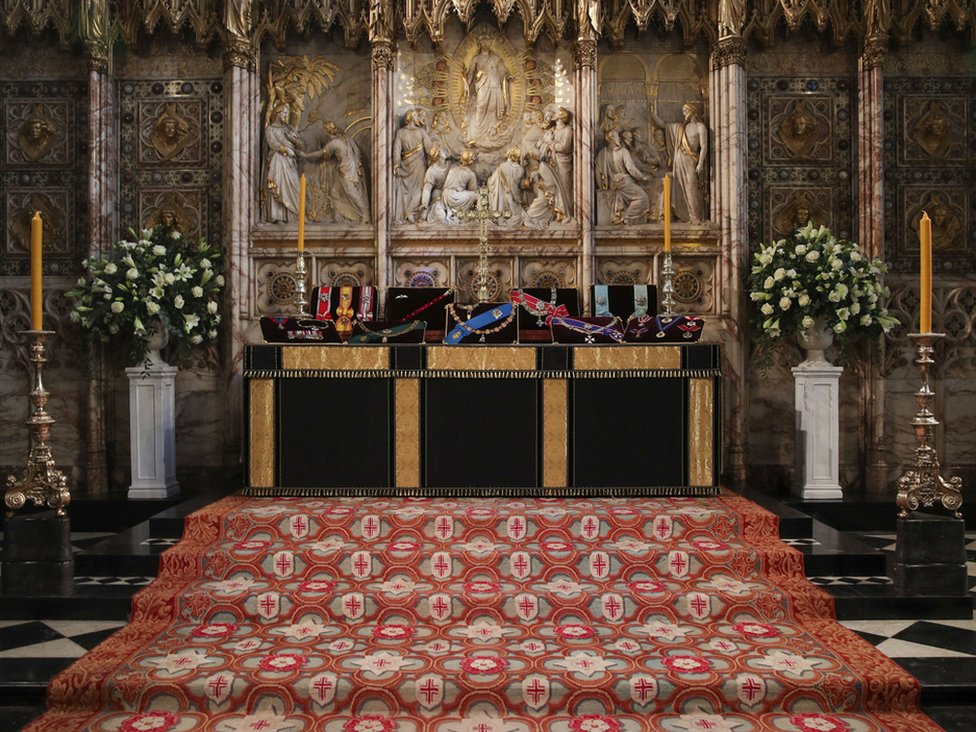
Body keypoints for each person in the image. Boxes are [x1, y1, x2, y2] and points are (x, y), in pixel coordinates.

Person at [650, 102, 708, 224]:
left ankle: (696, 217)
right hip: (679, 161)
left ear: (693, 111)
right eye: (683, 111)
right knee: (680, 189)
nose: (683, 113)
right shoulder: (681, 128)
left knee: (692, 188)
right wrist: (652, 113)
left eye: (685, 110)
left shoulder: (700, 127)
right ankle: (686, 216)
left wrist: (701, 163)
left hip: (691, 161)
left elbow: (704, 147)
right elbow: (663, 125)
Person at [304, 121, 370, 224]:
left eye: (325, 130)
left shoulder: (334, 143)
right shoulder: (345, 138)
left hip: (346, 170)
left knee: (351, 192)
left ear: (328, 131)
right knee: (334, 192)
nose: (324, 133)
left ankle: (365, 214)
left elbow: (321, 153)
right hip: (350, 168)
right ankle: (341, 217)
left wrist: (305, 155)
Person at [464, 36, 510, 143]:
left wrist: (507, 75)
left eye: (487, 43)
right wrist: (467, 82)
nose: (486, 45)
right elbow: (471, 73)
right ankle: (477, 132)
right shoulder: (476, 58)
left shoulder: (496, 58)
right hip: (483, 84)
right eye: (483, 43)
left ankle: (492, 131)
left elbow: (502, 69)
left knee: (493, 108)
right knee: (481, 106)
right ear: (480, 44)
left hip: (494, 84)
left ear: (490, 44)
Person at [263, 102, 303, 223]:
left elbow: (300, 144)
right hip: (278, 161)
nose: (286, 114)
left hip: (290, 163)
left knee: (295, 185)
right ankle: (278, 216)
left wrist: (294, 141)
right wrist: (286, 150)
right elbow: (272, 144)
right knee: (278, 185)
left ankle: (294, 215)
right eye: (284, 112)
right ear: (277, 112)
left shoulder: (289, 129)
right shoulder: (270, 129)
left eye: (287, 112)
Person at [602, 129, 650, 225]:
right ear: (611, 139)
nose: (619, 138)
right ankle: (627, 217)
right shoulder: (623, 151)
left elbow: (599, 171)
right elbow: (631, 168)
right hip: (624, 182)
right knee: (643, 197)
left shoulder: (603, 153)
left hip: (613, 183)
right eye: (616, 136)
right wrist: (642, 177)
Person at [392, 109, 432, 224]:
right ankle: (410, 211)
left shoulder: (400, 132)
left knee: (408, 190)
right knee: (419, 189)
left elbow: (396, 151)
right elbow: (429, 149)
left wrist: (396, 165)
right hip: (419, 164)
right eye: (416, 116)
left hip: (406, 164)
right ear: (411, 117)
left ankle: (408, 212)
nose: (418, 118)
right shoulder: (421, 132)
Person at [486, 145, 525, 222]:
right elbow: (519, 184)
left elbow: (492, 182)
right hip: (514, 197)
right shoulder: (520, 169)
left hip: (501, 198)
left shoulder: (502, 166)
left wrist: (489, 179)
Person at [441, 149, 480, 217]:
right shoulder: (470, 173)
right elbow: (473, 189)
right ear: (471, 162)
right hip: (454, 197)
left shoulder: (453, 169)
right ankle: (475, 214)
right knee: (475, 195)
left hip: (445, 195)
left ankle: (452, 210)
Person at [420, 143, 451, 223]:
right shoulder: (431, 171)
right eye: (442, 151)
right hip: (438, 198)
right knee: (440, 217)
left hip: (451, 197)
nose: (445, 152)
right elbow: (427, 189)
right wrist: (425, 204)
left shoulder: (449, 165)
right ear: (438, 156)